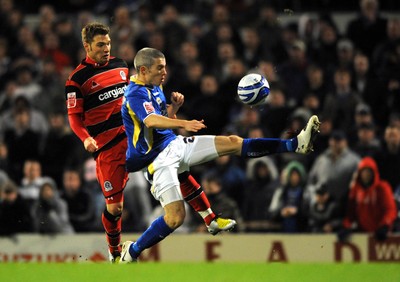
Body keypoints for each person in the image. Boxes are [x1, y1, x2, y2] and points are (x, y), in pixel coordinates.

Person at [119, 47, 320, 262]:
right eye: (160, 68)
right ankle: (131, 252)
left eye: (165, 66)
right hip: (155, 160)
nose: (165, 72)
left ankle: (295, 144)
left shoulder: (154, 85)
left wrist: (174, 109)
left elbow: (157, 121)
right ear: (142, 69)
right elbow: (150, 121)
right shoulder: (135, 94)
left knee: (232, 142)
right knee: (176, 217)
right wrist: (183, 122)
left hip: (173, 144)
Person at [65, 22, 235, 263]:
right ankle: (115, 252)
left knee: (176, 164)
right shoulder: (76, 80)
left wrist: (170, 111)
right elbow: (73, 118)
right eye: (100, 44)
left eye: (108, 43)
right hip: (108, 148)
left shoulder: (120, 66)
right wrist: (86, 138)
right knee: (115, 209)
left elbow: (140, 102)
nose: (106, 48)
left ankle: (209, 218)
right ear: (87, 46)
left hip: (135, 137)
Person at [337, 157, 397, 242]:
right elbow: (351, 213)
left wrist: (385, 225)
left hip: (380, 233)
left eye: (369, 172)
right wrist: (346, 226)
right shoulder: (355, 190)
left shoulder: (382, 188)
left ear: (374, 173)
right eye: (363, 172)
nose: (366, 175)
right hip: (362, 234)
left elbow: (390, 209)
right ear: (359, 173)